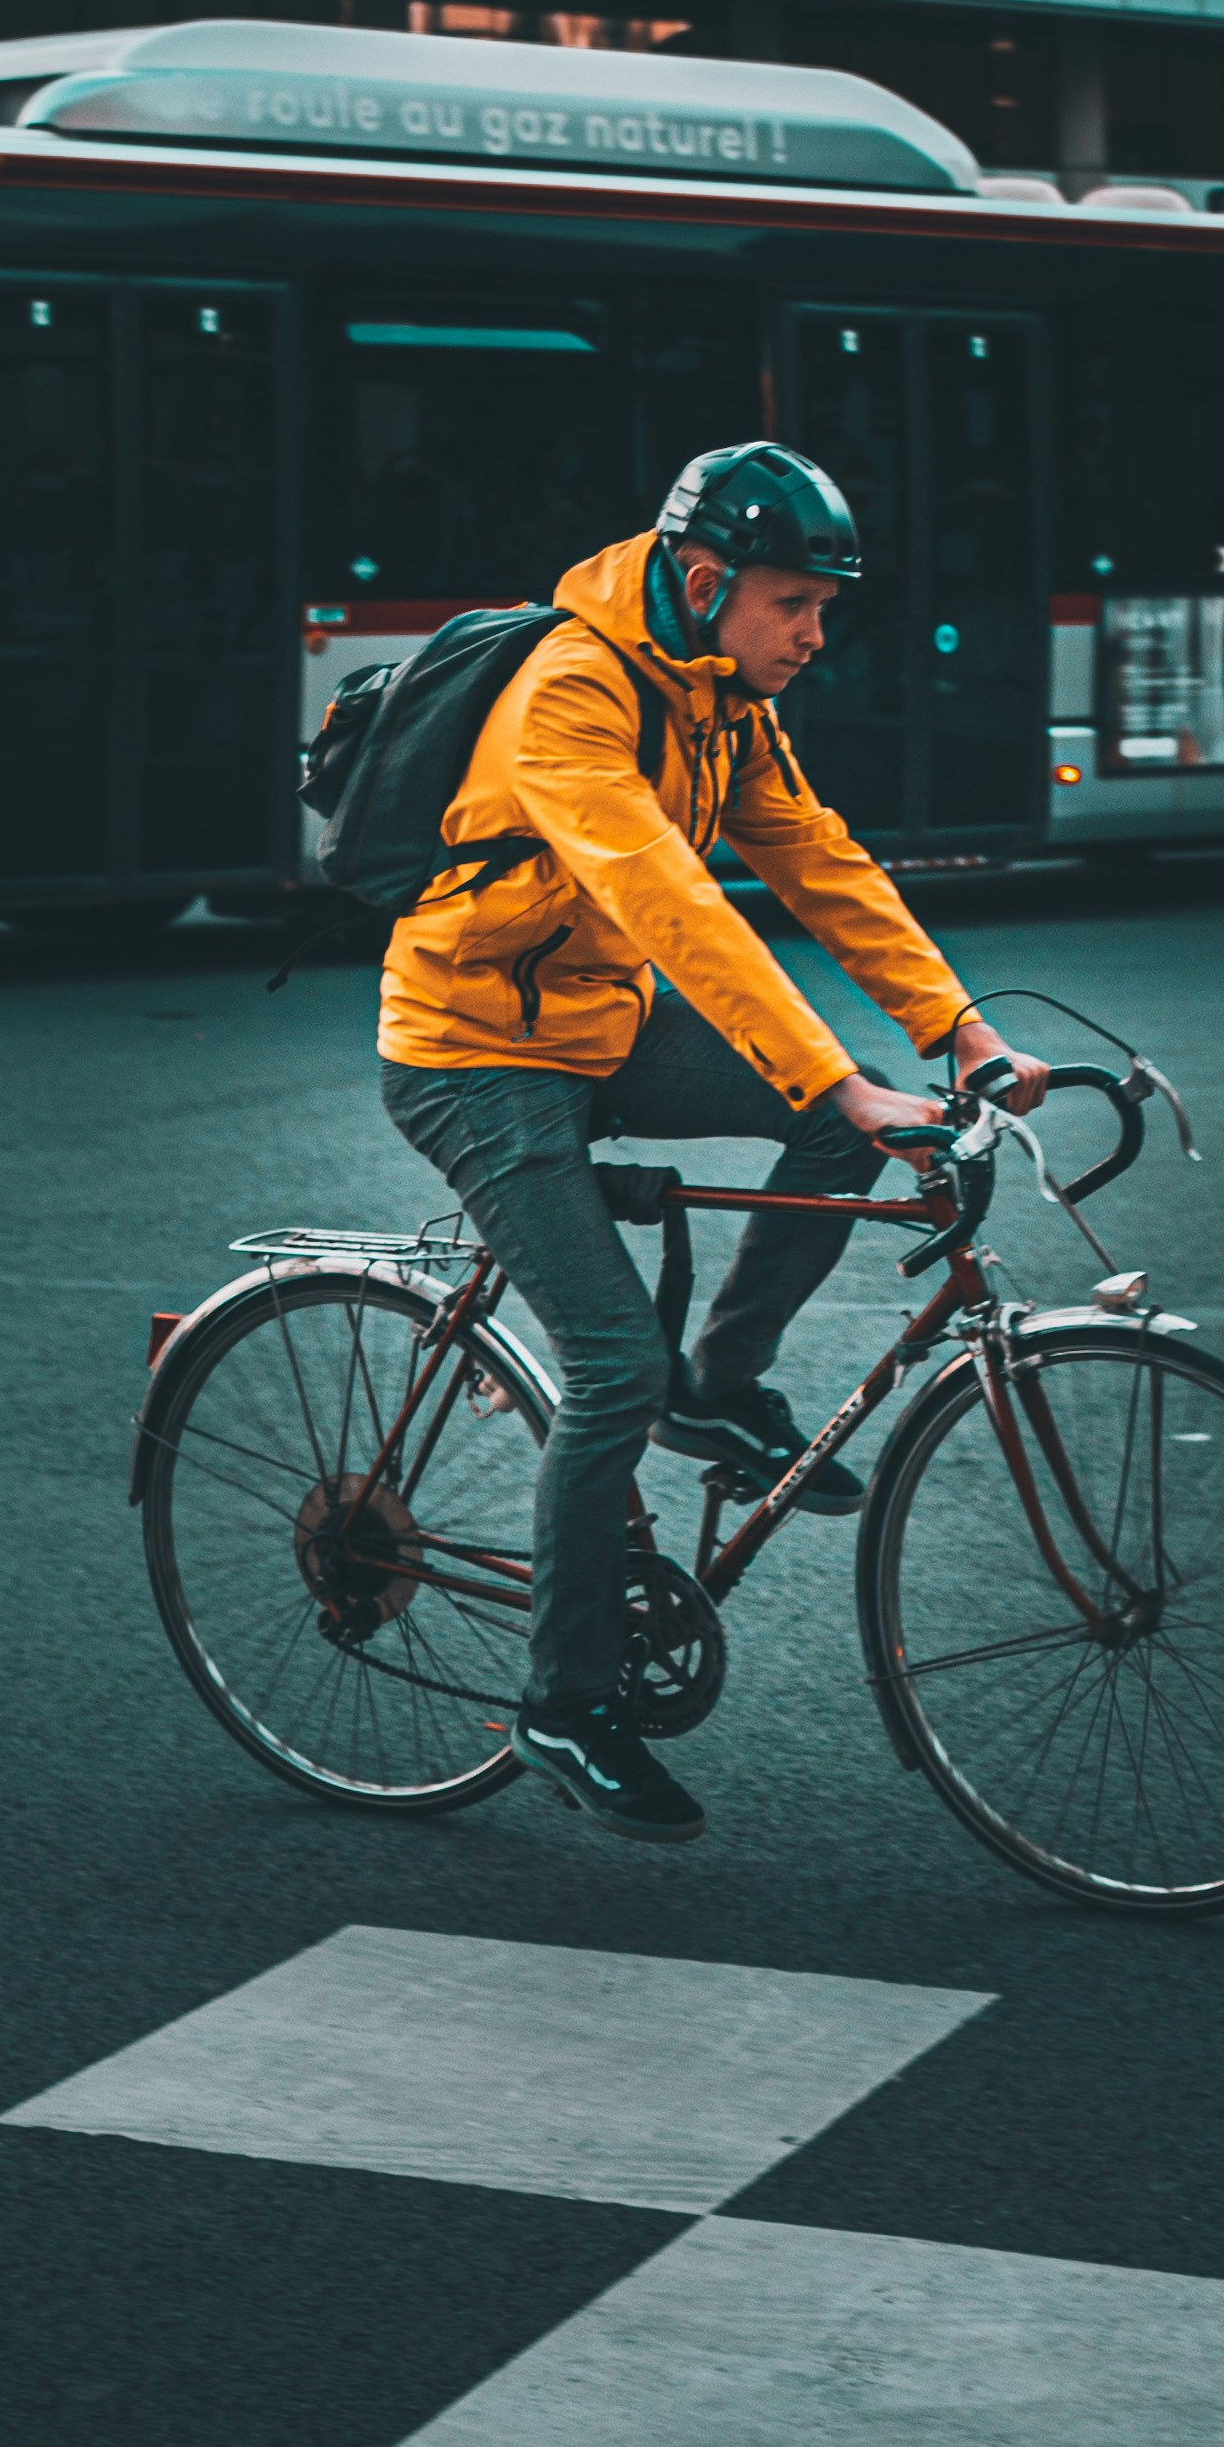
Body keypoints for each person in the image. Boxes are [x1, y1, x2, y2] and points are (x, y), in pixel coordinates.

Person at [380, 441, 1041, 1848]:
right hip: (474, 1052)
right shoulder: (572, 688)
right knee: (609, 1363)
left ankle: (721, 1384)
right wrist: (843, 1080)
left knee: (830, 1113)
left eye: (821, 607)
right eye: (795, 604)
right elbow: (673, 900)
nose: (815, 634)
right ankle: (563, 1700)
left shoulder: (717, 695)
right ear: (704, 580)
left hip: (596, 1020)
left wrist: (961, 1032)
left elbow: (817, 858)